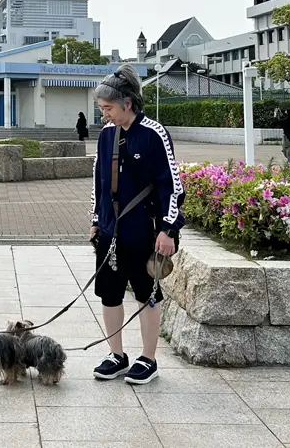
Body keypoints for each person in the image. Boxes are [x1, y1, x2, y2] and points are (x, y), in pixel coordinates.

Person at [89, 64, 184, 385]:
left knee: (147, 295)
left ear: (127, 103)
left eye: (108, 108)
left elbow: (172, 185)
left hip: (147, 232)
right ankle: (116, 354)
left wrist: (169, 229)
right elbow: (98, 182)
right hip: (110, 233)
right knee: (109, 294)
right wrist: (95, 220)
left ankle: (148, 358)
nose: (105, 115)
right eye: (102, 109)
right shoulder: (106, 135)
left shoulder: (154, 134)